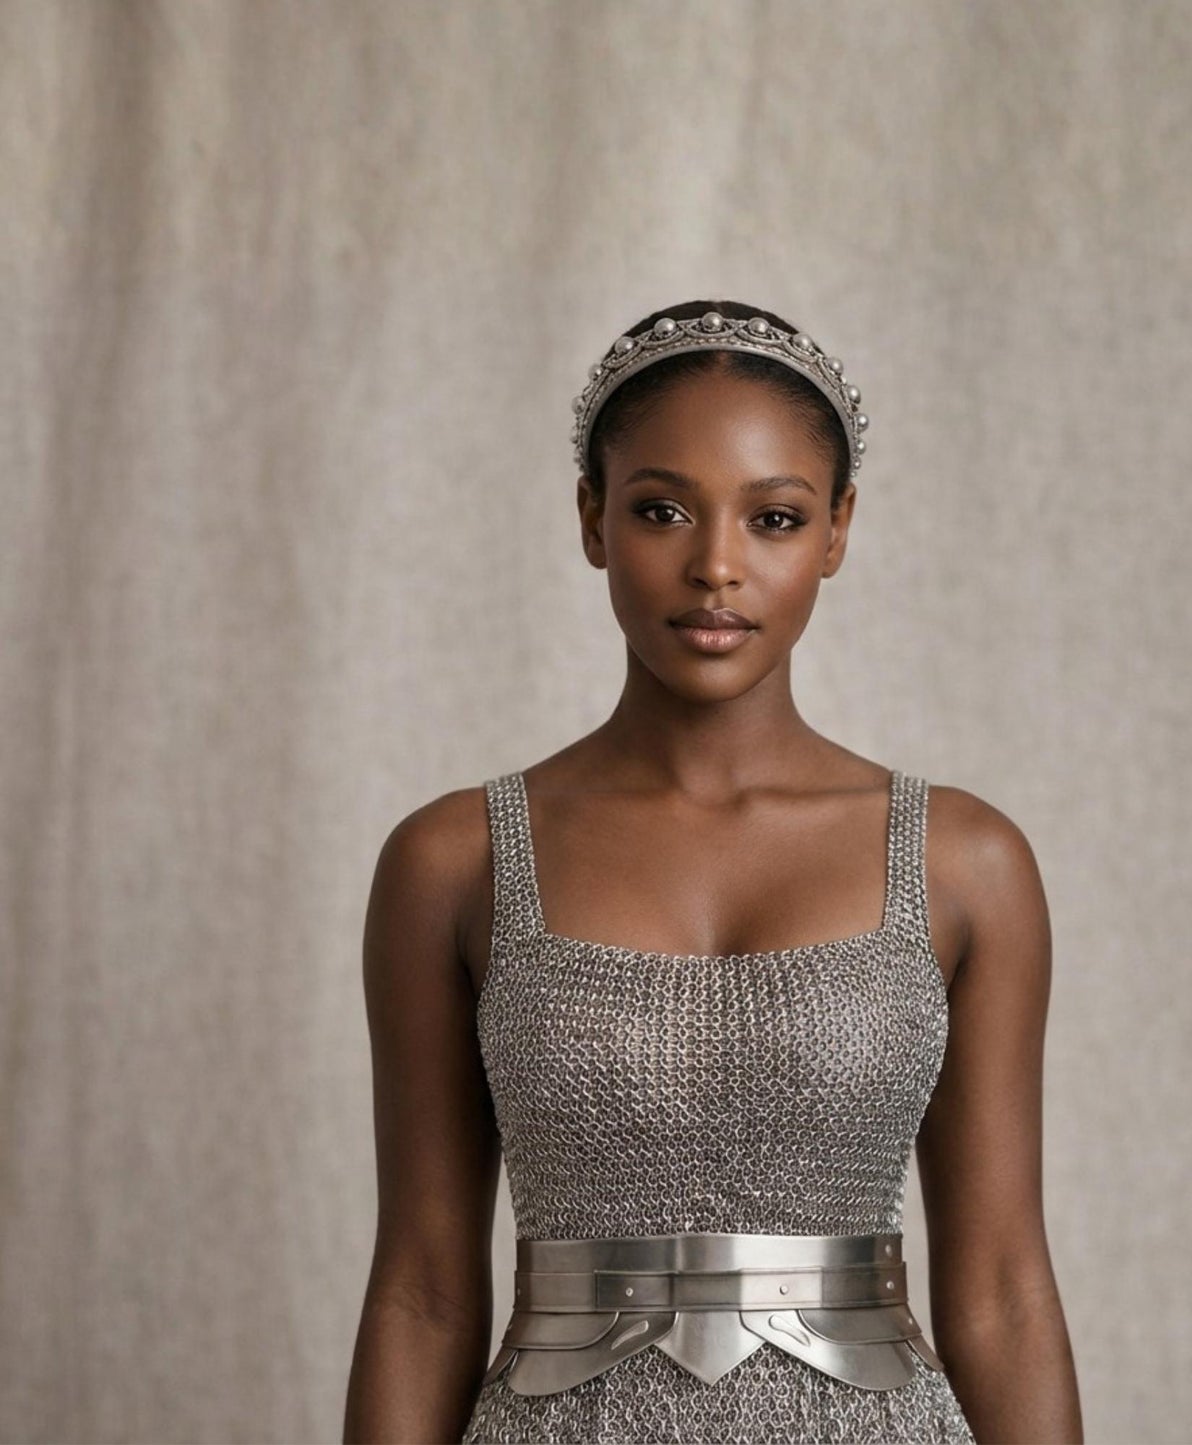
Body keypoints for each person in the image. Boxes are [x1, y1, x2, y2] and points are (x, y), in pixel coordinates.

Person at [342, 299, 1084, 1444]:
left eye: (774, 517)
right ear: (591, 517)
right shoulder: (454, 860)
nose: (716, 566)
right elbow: (423, 1289)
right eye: (660, 509)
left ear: (836, 530)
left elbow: (1001, 1289)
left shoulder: (963, 862)